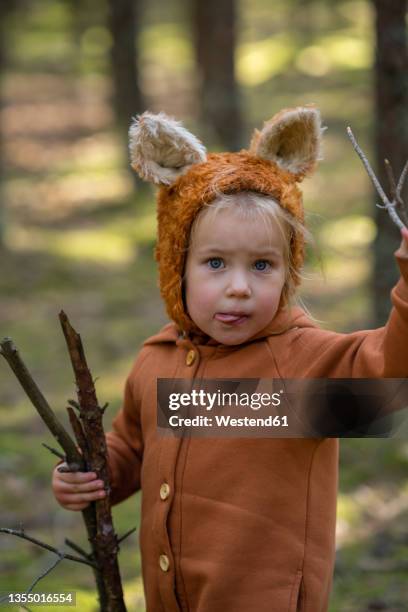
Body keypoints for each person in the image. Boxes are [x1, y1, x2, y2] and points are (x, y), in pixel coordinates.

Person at [52, 107, 408, 612]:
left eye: (262, 265)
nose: (238, 288)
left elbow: (387, 377)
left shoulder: (299, 364)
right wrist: (90, 474)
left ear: (288, 273)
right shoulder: (158, 358)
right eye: (215, 263)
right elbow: (133, 449)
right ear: (178, 267)